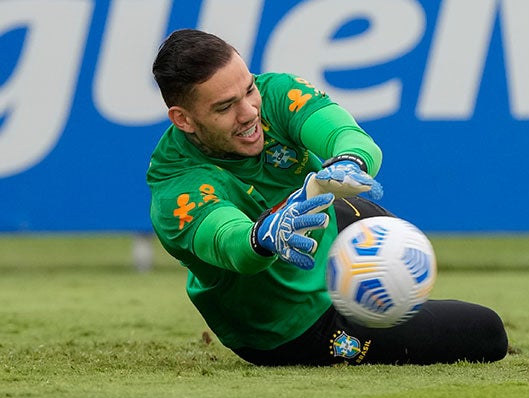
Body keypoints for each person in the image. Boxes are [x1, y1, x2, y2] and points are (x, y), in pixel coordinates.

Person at [147, 28, 508, 366]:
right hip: (291, 324)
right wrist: (264, 236)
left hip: (325, 226)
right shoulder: (176, 184)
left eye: (249, 89)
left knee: (393, 236)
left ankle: (388, 305)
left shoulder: (275, 94)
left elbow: (349, 137)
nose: (249, 112)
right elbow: (233, 245)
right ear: (184, 120)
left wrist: (349, 161)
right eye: (225, 107)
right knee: (487, 331)